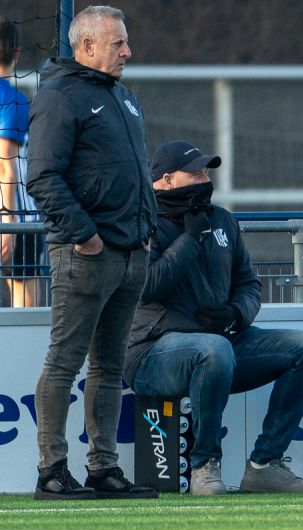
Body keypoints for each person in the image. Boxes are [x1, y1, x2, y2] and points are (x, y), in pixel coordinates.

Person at [125, 140, 303, 496]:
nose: (205, 179)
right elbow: (147, 287)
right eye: (196, 173)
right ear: (167, 180)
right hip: (151, 352)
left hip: (220, 343)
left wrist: (235, 314)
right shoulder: (140, 221)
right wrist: (190, 239)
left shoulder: (221, 219)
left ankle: (265, 465)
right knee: (213, 349)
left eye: (207, 172)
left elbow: (249, 284)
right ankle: (204, 466)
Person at [27, 6, 156, 500]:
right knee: (65, 362)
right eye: (118, 43)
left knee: (108, 368)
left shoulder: (122, 96)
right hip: (86, 254)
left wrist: (145, 232)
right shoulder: (59, 95)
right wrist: (85, 235)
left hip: (130, 253)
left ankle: (104, 468)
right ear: (86, 47)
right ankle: (52, 471)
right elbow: (42, 177)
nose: (128, 51)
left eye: (125, 41)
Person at [0, 17, 42, 307]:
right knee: (25, 306)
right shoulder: (14, 100)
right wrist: (9, 222)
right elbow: (6, 164)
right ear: (16, 51)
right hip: (16, 215)